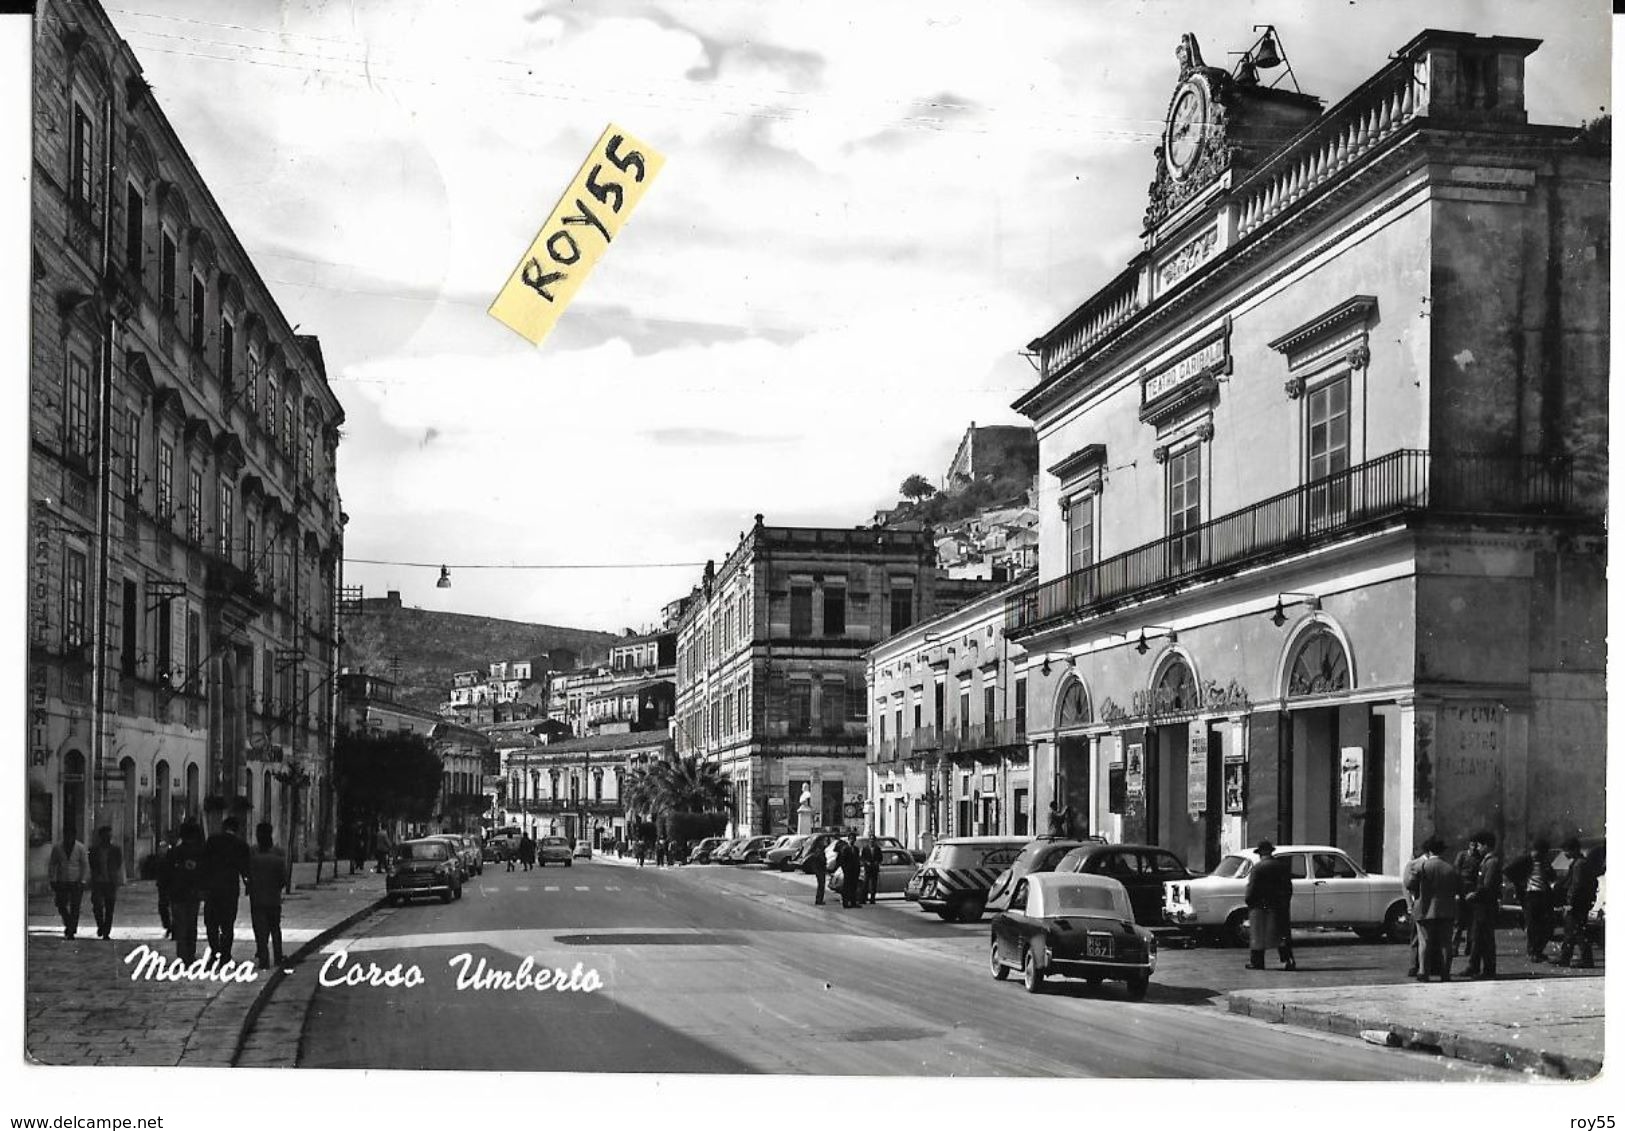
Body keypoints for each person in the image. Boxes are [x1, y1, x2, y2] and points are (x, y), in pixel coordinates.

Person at [1407, 835, 1461, 982]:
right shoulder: (1450, 868)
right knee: (1445, 943)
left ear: (1429, 851)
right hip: (1446, 910)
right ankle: (1445, 973)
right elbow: (1457, 887)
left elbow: (1410, 885)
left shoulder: (1422, 867)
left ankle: (1423, 972)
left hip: (1425, 909)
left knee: (1424, 942)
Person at [202, 817, 251, 967]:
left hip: (212, 888)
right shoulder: (241, 845)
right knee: (227, 924)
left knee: (211, 923)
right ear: (237, 829)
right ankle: (225, 955)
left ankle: (215, 951)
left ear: (223, 827)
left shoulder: (212, 841)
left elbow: (204, 863)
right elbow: (245, 869)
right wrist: (248, 884)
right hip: (230, 889)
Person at [1243, 840, 1294, 970]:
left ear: (1261, 854)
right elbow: (1289, 888)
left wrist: (1249, 901)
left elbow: (1252, 888)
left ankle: (1257, 962)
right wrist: (1285, 901)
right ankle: (1288, 960)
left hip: (1260, 907)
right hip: (1279, 906)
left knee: (1258, 936)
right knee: (1281, 935)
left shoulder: (1258, 868)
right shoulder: (1282, 866)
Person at [164, 821, 207, 962]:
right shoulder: (200, 852)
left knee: (181, 925)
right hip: (193, 893)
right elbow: (204, 873)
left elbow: (166, 874)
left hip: (178, 894)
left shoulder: (174, 852)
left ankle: (182, 955)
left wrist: (166, 892)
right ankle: (190, 953)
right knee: (191, 924)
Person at [247, 822, 288, 970]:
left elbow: (248, 876)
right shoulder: (278, 856)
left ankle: (263, 958)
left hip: (257, 899)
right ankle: (278, 956)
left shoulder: (252, 855)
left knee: (260, 930)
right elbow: (283, 880)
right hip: (273, 898)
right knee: (275, 929)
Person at [1506, 840, 1556, 961]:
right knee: (1533, 924)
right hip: (1530, 895)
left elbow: (1552, 876)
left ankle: (1538, 950)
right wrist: (1519, 883)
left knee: (1546, 926)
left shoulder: (1544, 862)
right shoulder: (1525, 860)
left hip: (1543, 895)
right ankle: (1533, 951)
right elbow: (1508, 870)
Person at [1462, 830, 1503, 980]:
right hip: (1481, 906)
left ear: (1486, 845)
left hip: (1486, 905)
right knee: (1477, 937)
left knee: (1485, 938)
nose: (1477, 848)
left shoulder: (1492, 862)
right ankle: (1473, 966)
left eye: (1479, 845)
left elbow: (1487, 885)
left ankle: (1488, 969)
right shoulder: (1485, 861)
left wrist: (1475, 895)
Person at [1556, 837, 1600, 969]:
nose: (1565, 854)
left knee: (1576, 932)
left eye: (1566, 851)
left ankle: (1574, 959)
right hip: (1582, 903)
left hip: (1577, 904)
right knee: (1574, 932)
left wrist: (1570, 902)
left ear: (1573, 850)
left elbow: (1576, 885)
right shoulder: (1582, 863)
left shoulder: (1578, 865)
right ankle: (1568, 958)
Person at [47, 826, 89, 939]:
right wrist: (52, 879)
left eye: (71, 835)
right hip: (62, 880)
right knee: (61, 905)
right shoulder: (57, 848)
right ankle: (69, 923)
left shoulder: (80, 848)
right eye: (67, 835)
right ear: (64, 835)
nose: (69, 837)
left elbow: (85, 864)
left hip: (76, 881)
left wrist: (83, 880)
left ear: (74, 836)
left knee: (75, 906)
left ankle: (71, 929)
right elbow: (52, 864)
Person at [88, 825, 124, 940]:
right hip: (98, 881)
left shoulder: (115, 850)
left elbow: (119, 863)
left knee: (109, 908)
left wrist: (114, 875)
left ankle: (106, 931)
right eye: (105, 835)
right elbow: (91, 864)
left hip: (110, 881)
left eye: (109, 835)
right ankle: (100, 925)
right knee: (97, 906)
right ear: (101, 837)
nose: (108, 838)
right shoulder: (94, 850)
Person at [1451, 838, 1482, 958]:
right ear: (1469, 845)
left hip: (1472, 892)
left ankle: (1469, 948)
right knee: (1458, 923)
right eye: (1472, 845)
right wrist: (1457, 892)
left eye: (1476, 845)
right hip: (1461, 890)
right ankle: (1454, 948)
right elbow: (1456, 872)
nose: (1474, 848)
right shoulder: (1462, 856)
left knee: (1471, 923)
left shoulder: (1479, 858)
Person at [1401, 847, 1427, 978]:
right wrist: (1409, 906)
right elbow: (1406, 887)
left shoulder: (1418, 865)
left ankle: (1418, 965)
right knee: (1415, 937)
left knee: (1418, 937)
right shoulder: (1413, 865)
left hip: (1419, 905)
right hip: (1416, 905)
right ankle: (1413, 965)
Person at [152, 831, 176, 939]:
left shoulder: (175, 851)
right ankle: (169, 926)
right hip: (165, 882)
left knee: (168, 905)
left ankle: (171, 927)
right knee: (164, 906)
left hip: (170, 882)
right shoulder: (164, 848)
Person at [860, 838, 882, 904]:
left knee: (873, 885)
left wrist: (877, 862)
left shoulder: (877, 849)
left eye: (873, 840)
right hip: (867, 869)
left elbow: (880, 858)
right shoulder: (865, 848)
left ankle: (872, 899)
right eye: (871, 840)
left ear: (875, 841)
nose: (872, 841)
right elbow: (862, 858)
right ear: (869, 841)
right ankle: (864, 899)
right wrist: (866, 862)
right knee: (865, 884)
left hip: (874, 869)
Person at [811, 836, 828, 906]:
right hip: (820, 870)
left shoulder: (819, 849)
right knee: (821, 885)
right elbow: (820, 860)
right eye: (824, 841)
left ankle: (819, 899)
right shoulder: (819, 850)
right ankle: (819, 900)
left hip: (820, 870)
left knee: (821, 885)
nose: (825, 842)